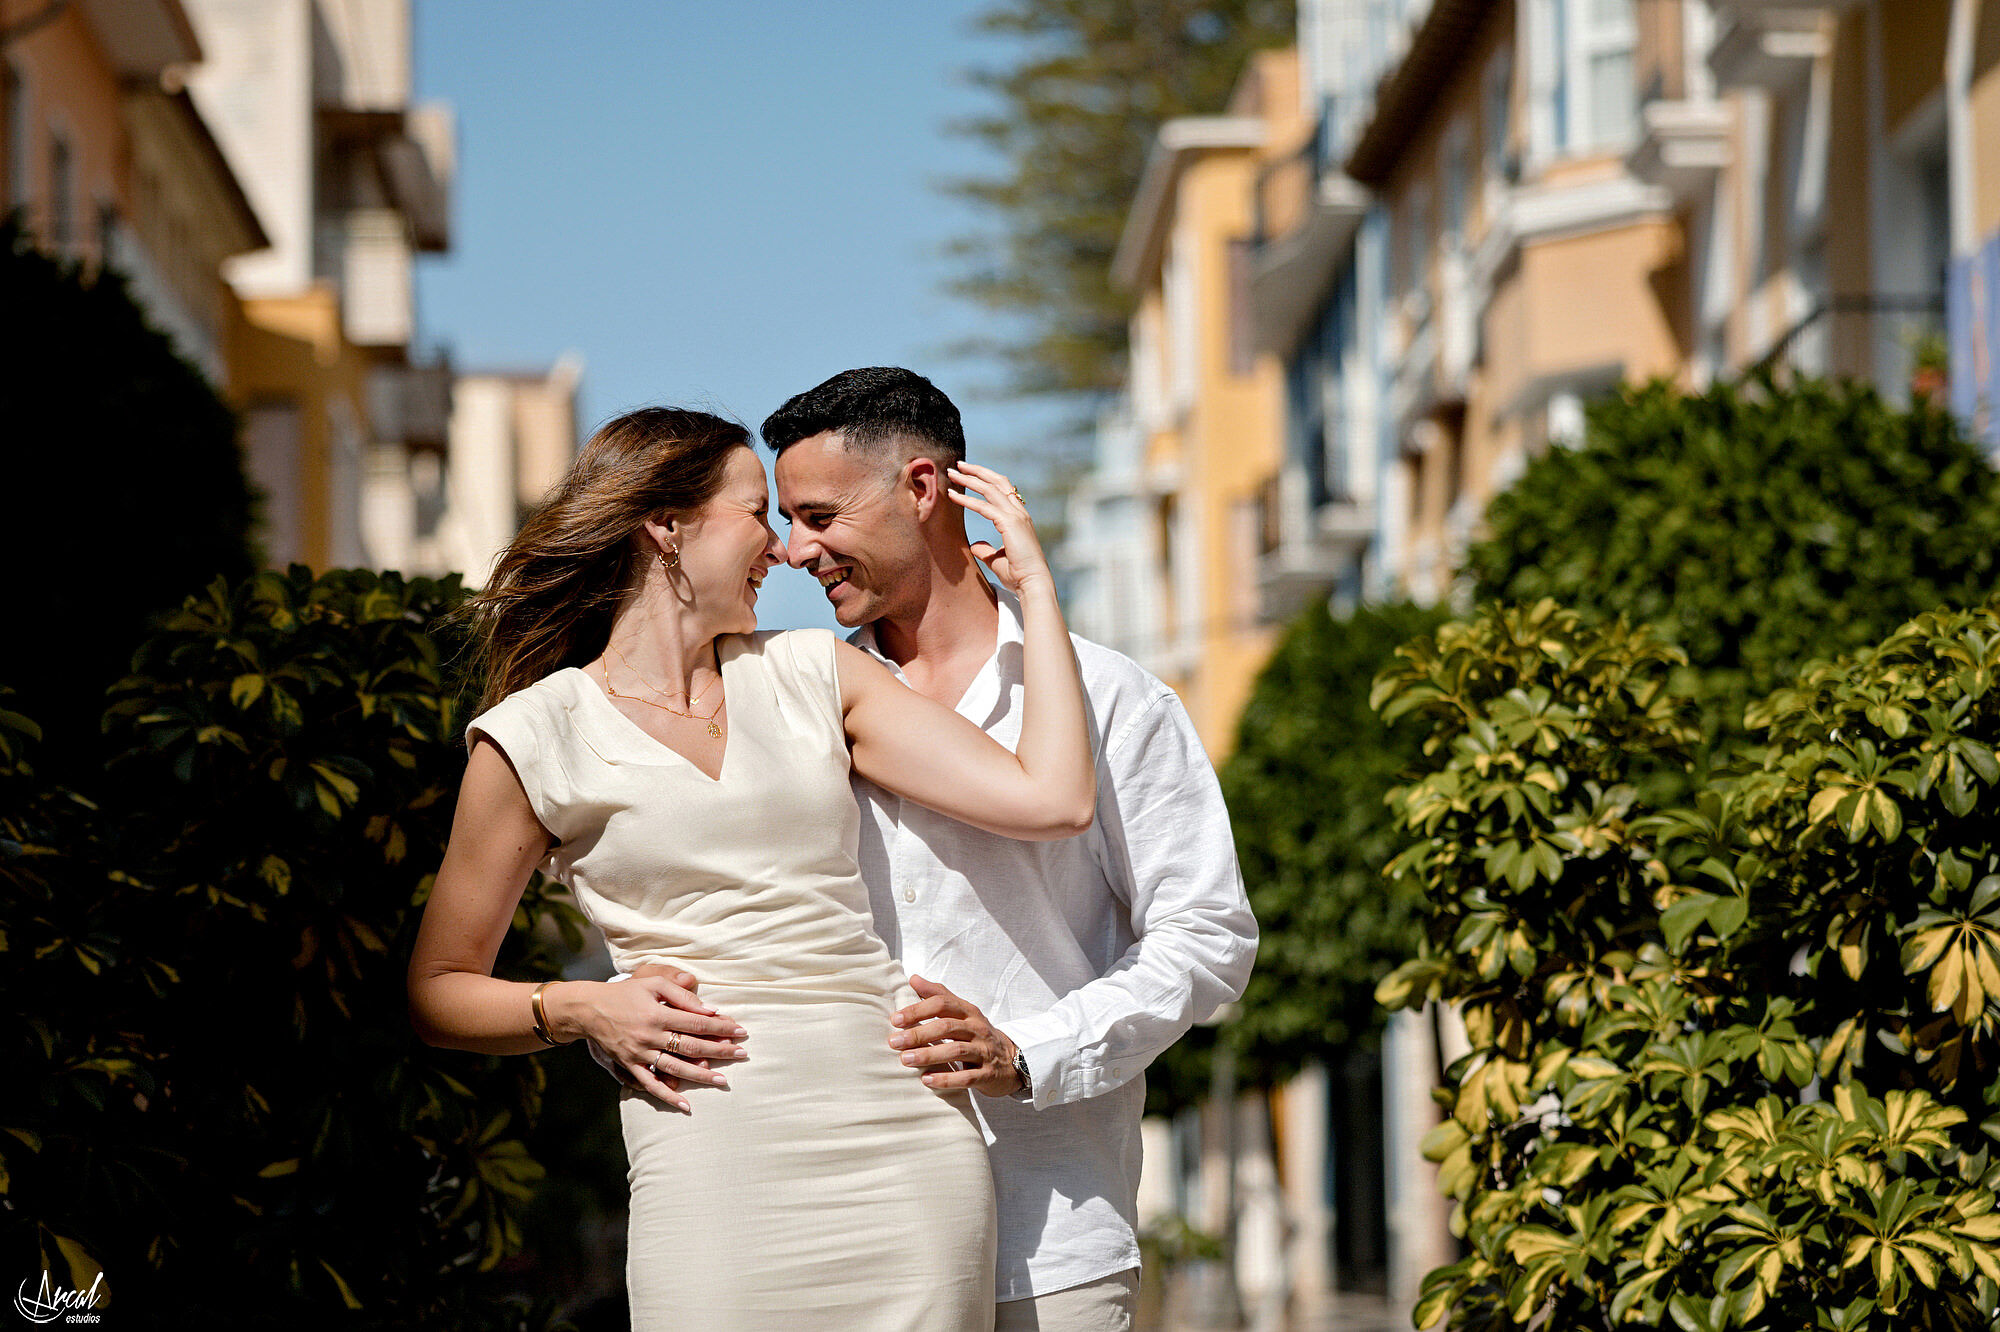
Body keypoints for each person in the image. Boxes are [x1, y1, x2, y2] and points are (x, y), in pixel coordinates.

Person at [405, 406, 1097, 1332]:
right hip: (711, 1153)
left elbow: (1053, 799)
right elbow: (437, 989)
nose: (782, 548)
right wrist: (577, 1009)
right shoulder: (534, 735)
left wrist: (1038, 596)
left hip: (902, 1145)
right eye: (756, 513)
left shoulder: (813, 673)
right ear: (667, 526)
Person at [609, 369, 1258, 1331]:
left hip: (1049, 1236)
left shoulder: (1112, 700)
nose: (795, 551)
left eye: (821, 515)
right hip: (837, 1231)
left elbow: (1207, 939)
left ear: (921, 488)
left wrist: (1023, 1050)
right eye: (785, 520)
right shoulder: (789, 701)